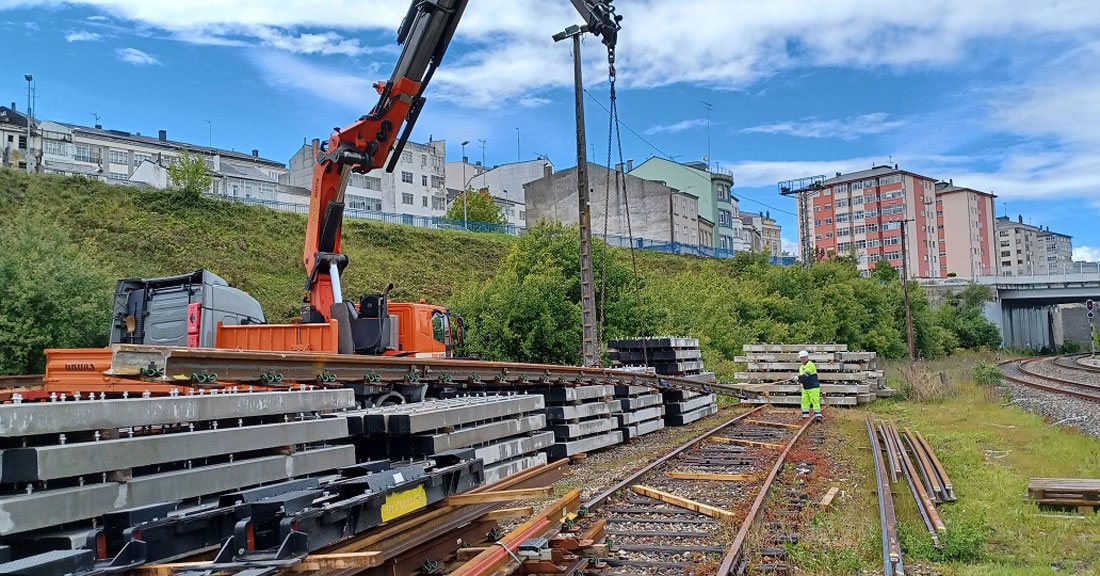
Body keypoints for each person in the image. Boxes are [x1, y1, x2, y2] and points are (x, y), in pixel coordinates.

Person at [798, 350, 822, 422]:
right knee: (804, 401)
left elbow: (806, 375)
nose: (802, 359)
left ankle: (818, 416)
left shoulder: (810, 365)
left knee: (815, 401)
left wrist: (798, 378)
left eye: (803, 357)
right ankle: (805, 415)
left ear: (807, 357)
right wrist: (798, 380)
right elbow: (802, 378)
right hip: (806, 387)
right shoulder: (801, 367)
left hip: (813, 387)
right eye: (801, 358)